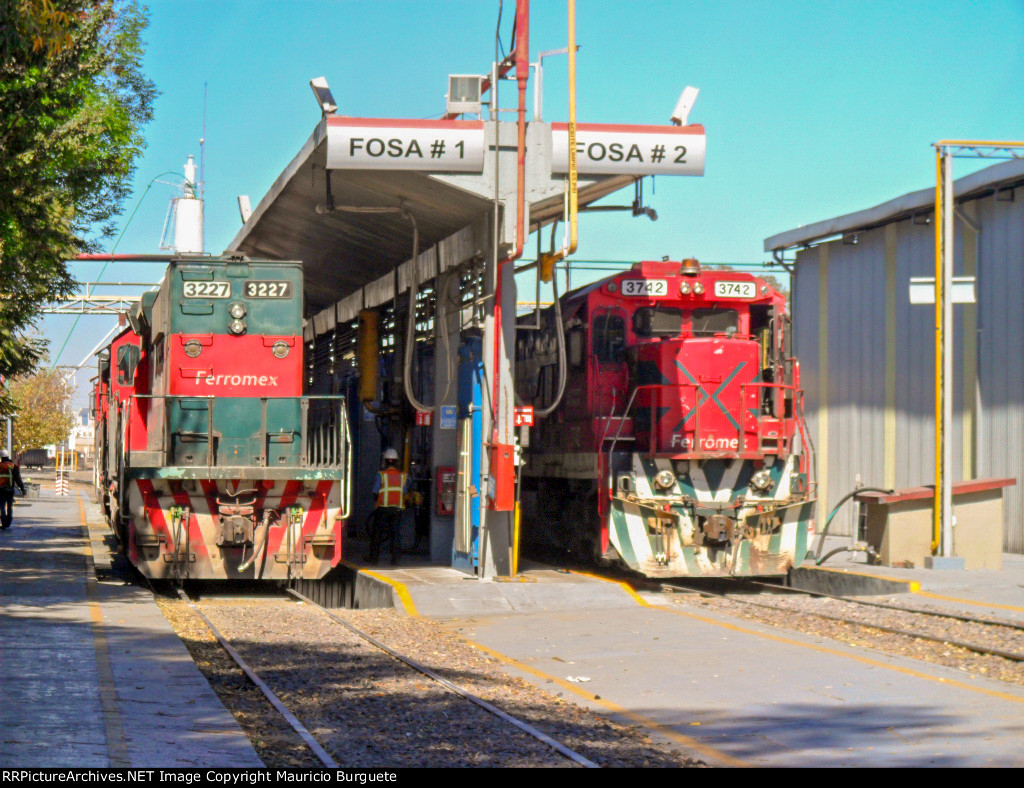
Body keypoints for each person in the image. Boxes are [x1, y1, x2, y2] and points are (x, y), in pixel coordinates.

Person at [367, 447, 408, 565]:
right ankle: (395, 559)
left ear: (385, 461)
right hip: (397, 509)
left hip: (383, 509)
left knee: (377, 533)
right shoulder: (403, 476)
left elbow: (375, 491)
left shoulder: (382, 475)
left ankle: (374, 558)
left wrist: (377, 501)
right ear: (397, 461)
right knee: (396, 533)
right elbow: (404, 492)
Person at [0, 450, 26, 530]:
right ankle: (8, 522)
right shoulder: (13, 466)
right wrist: (22, 488)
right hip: (10, 490)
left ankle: (4, 522)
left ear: (1, 457)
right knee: (9, 506)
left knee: (2, 506)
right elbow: (18, 479)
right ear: (8, 456)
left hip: (1, 490)